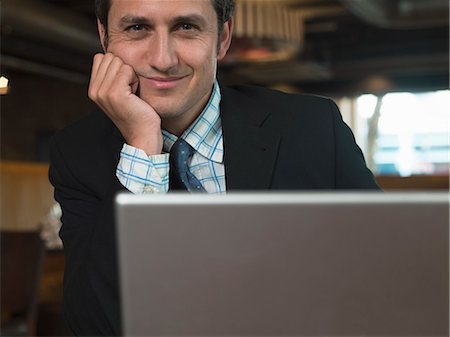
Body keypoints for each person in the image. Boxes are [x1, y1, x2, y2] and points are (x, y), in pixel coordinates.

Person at [49, 0, 380, 335]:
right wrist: (142, 148)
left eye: (186, 27)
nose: (163, 60)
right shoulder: (76, 153)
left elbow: (386, 267)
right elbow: (96, 325)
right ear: (105, 36)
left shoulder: (313, 126)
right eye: (137, 28)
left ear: (222, 38)